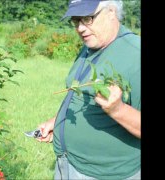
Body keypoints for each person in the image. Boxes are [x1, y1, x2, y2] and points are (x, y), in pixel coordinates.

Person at [37, 0, 140, 179]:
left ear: (111, 12)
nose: (80, 28)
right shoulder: (90, 46)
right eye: (76, 20)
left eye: (87, 18)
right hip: (68, 164)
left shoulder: (135, 54)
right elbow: (82, 97)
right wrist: (58, 121)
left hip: (105, 174)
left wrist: (118, 110)